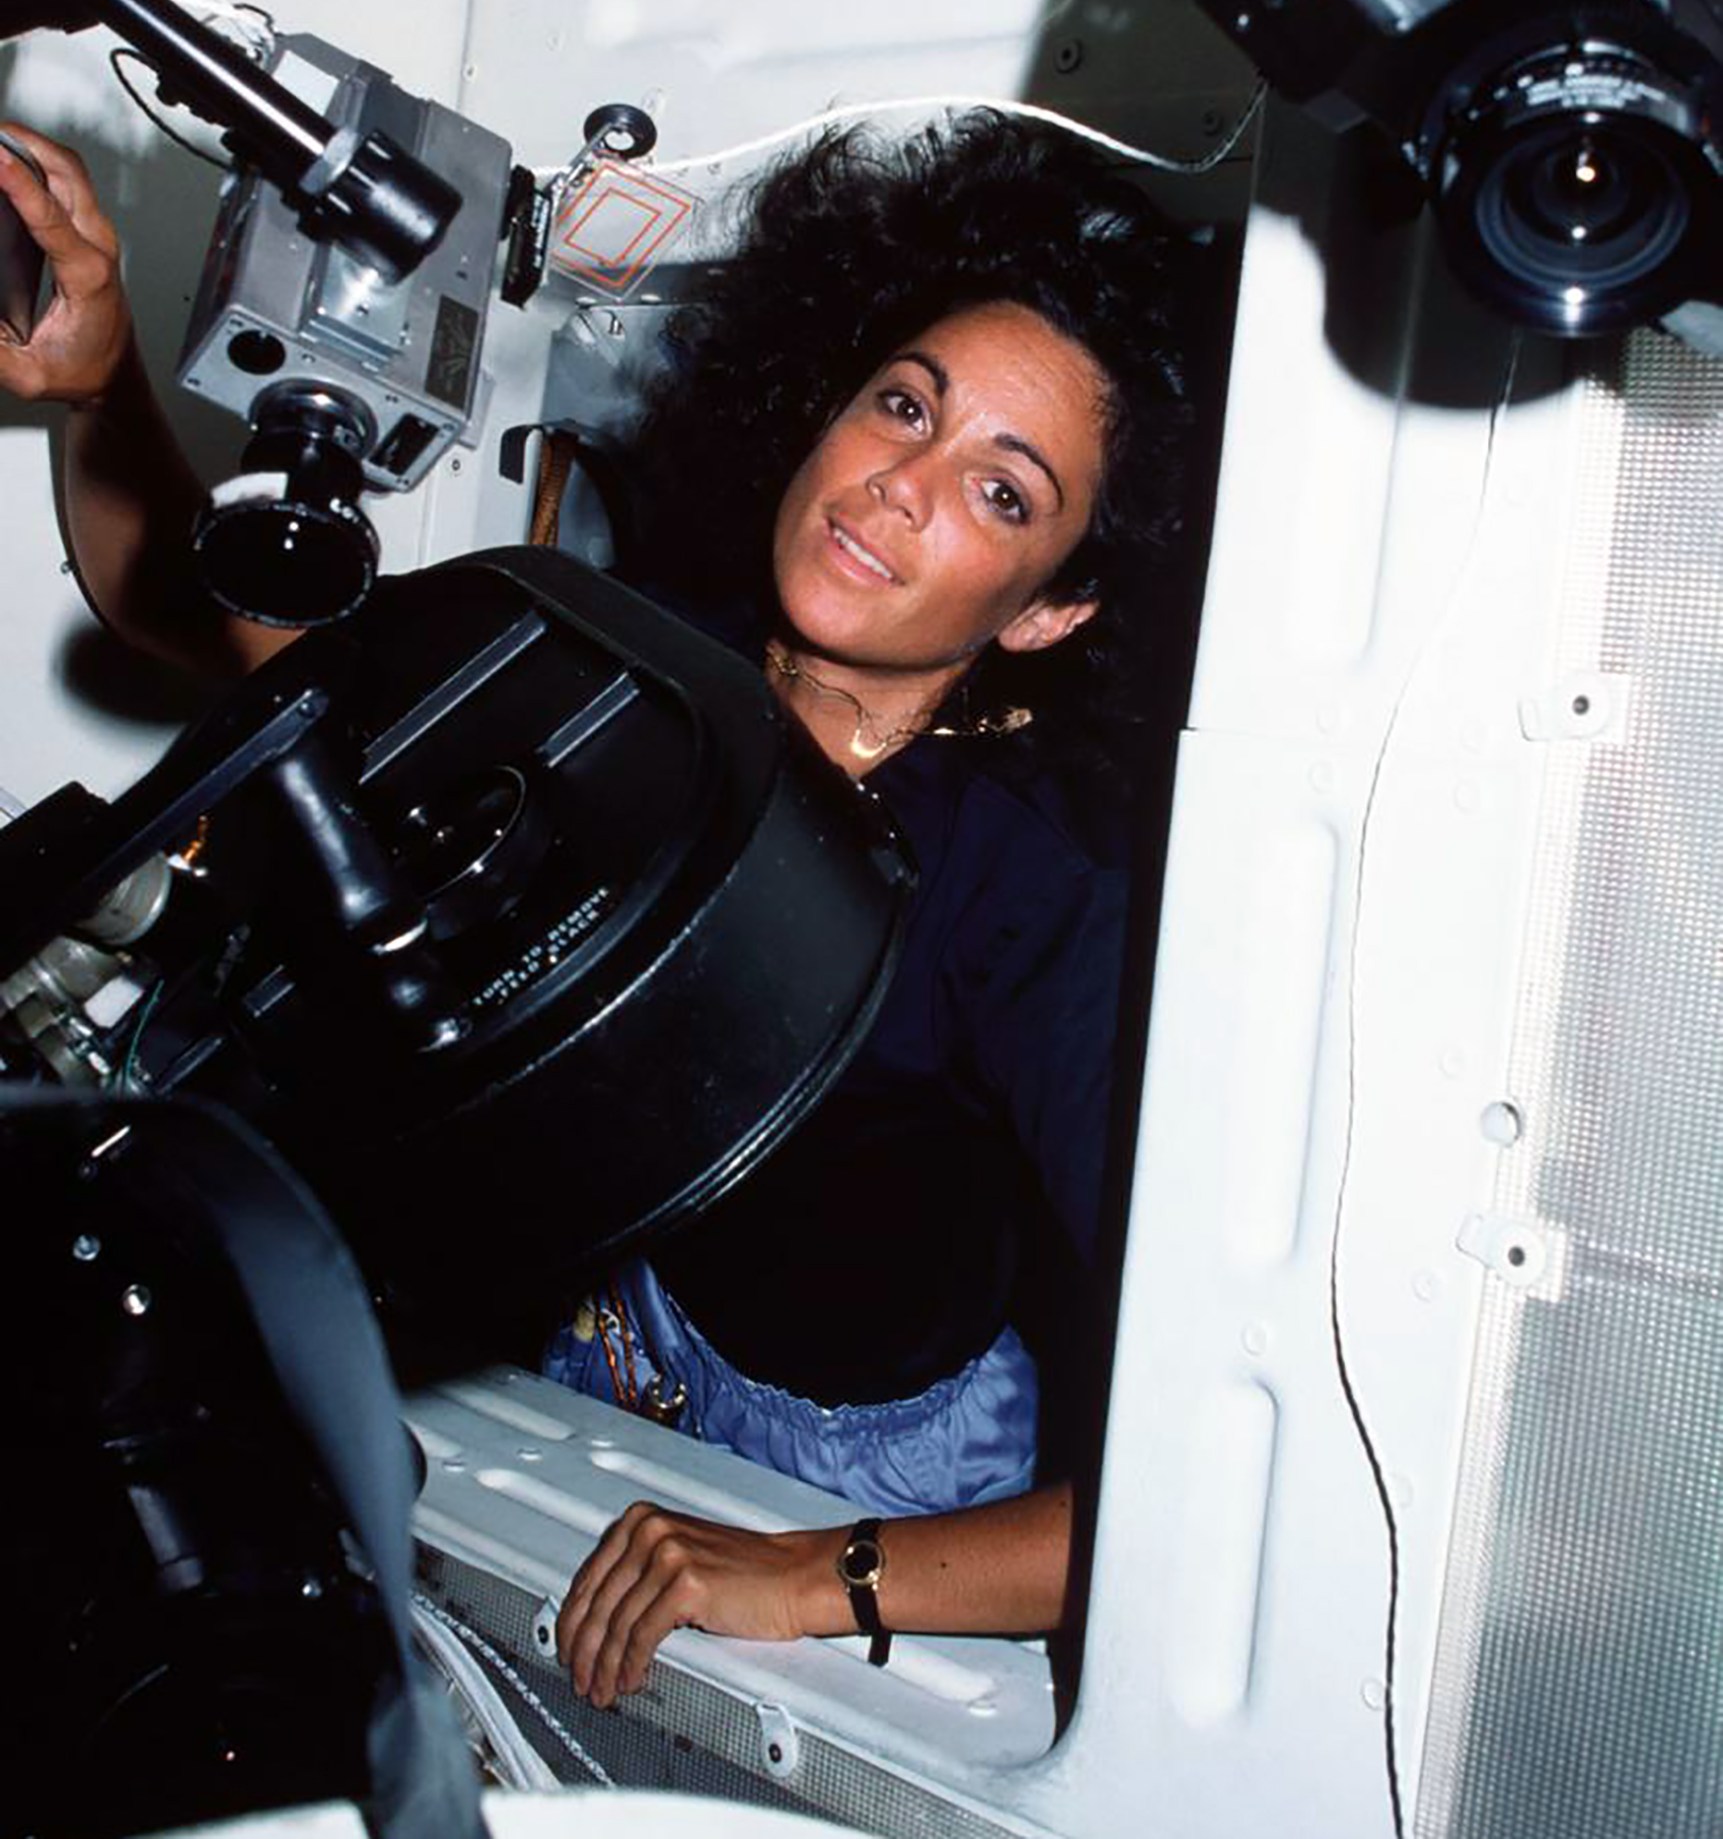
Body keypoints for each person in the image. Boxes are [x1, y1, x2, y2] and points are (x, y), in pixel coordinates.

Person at [0, 109, 1196, 1706]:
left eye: (1001, 491)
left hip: (871, 1475)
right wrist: (100, 386)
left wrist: (817, 1575)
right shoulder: (646, 671)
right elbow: (253, 665)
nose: (903, 488)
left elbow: (1201, 1487)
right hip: (593, 1340)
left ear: (1048, 608)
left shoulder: (1035, 892)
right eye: (904, 406)